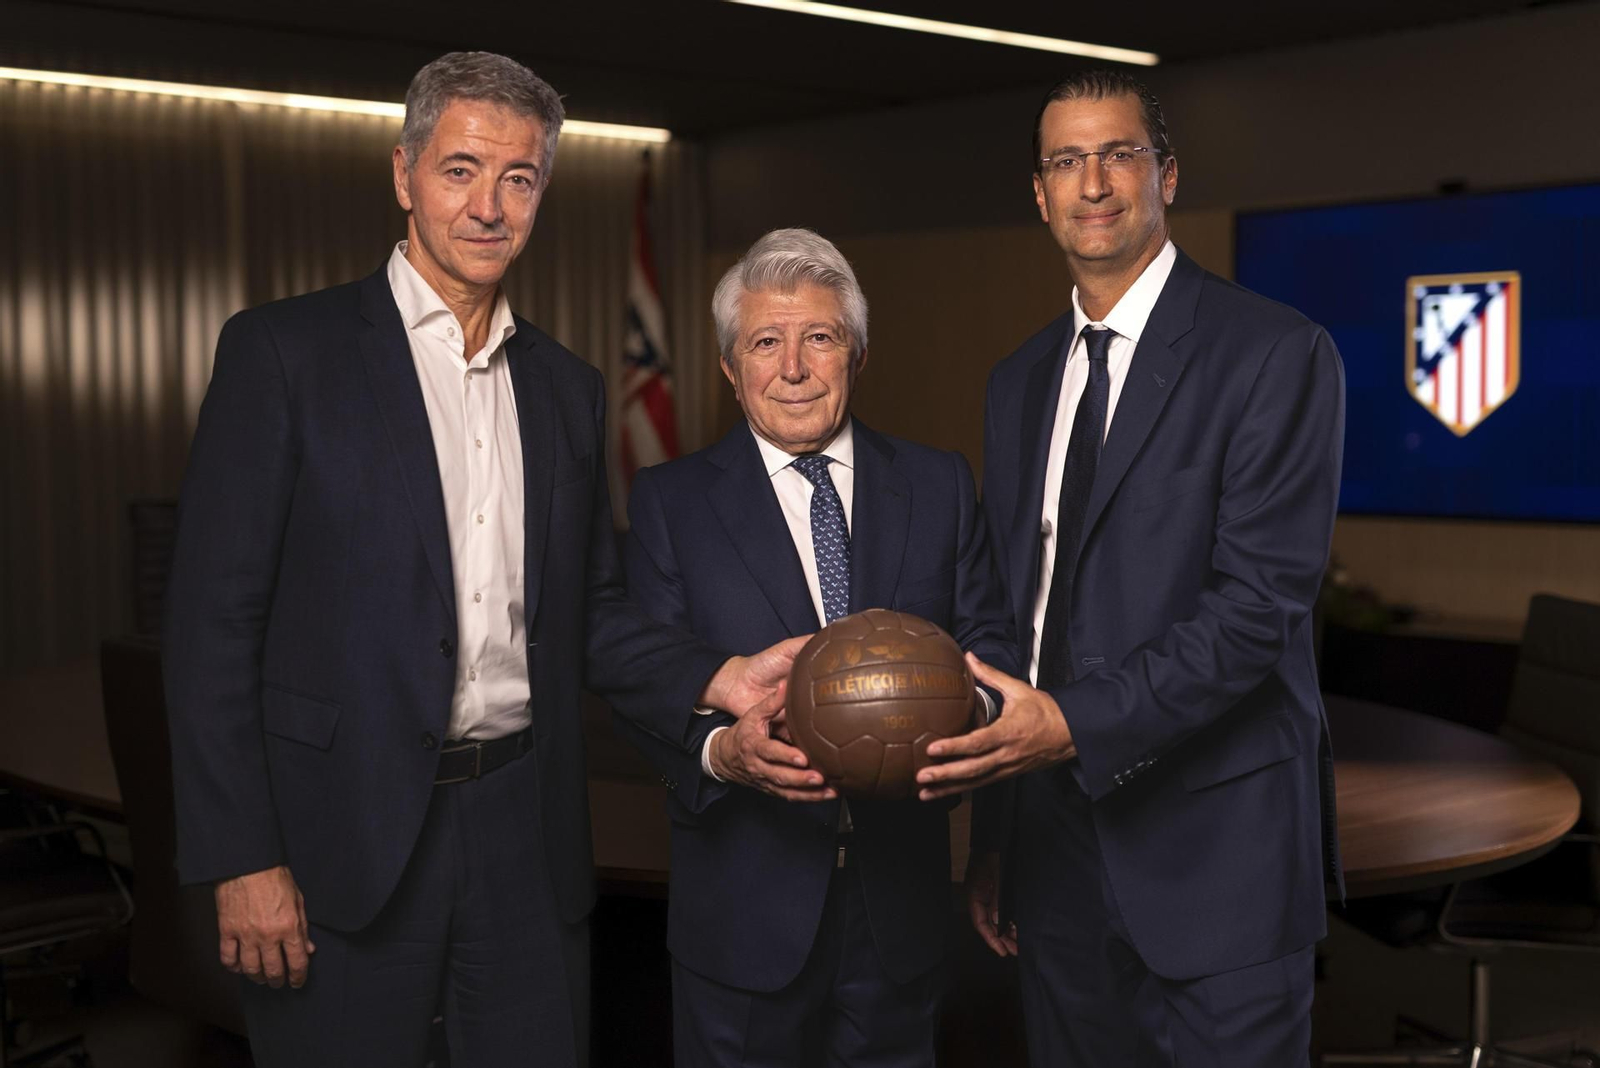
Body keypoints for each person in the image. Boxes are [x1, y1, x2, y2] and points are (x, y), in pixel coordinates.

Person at [163, 51, 800, 1068]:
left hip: (523, 830)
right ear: (404, 173)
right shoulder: (285, 355)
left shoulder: (565, 389)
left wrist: (713, 677)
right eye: (460, 169)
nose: (488, 205)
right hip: (343, 838)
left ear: (543, 190)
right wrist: (243, 858)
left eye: (519, 177)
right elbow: (210, 631)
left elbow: (587, 606)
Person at [915, 71, 1346, 1066]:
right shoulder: (1019, 381)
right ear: (1039, 192)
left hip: (1219, 857)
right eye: (1067, 161)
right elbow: (1014, 615)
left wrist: (1067, 725)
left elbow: (1254, 613)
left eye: (1118, 154)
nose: (1093, 182)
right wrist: (996, 840)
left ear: (1167, 176)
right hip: (1054, 854)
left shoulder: (1273, 353)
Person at [614, 228, 1019, 1067]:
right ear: (731, 367)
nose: (793, 367)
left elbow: (991, 648)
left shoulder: (938, 484)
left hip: (899, 914)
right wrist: (724, 752)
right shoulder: (668, 503)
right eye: (766, 342)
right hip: (741, 922)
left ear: (858, 354)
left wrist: (953, 711)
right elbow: (642, 678)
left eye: (820, 338)